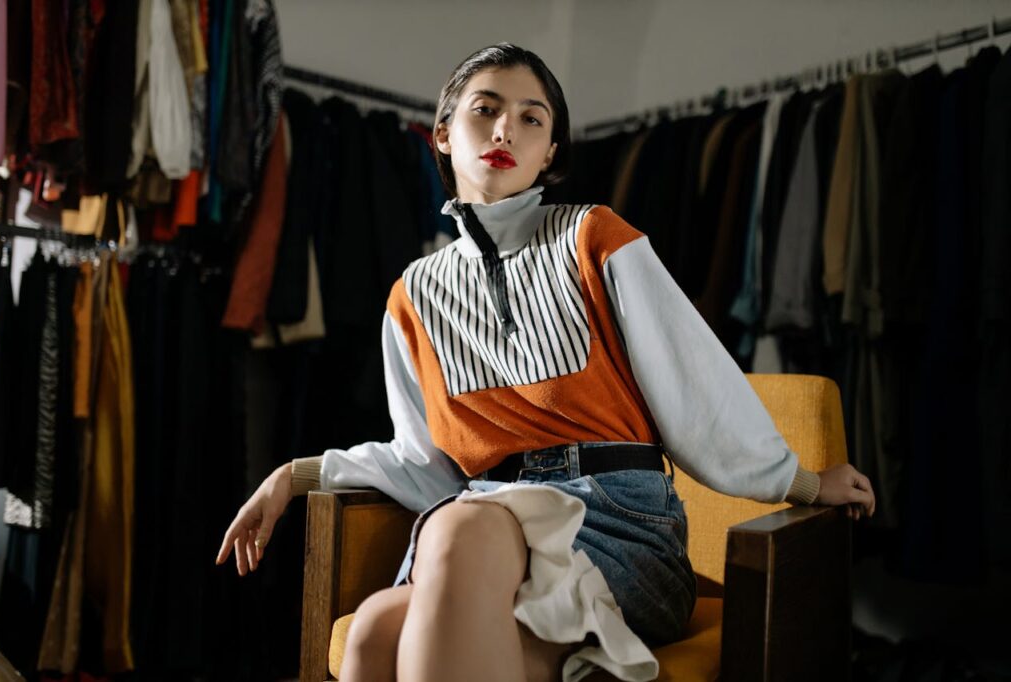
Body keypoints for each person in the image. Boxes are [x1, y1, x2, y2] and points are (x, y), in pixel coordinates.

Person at [216, 43, 876, 682]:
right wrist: (294, 476)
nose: (506, 128)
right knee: (373, 633)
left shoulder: (595, 236)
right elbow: (424, 463)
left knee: (459, 529)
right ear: (442, 134)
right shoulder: (412, 296)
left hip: (618, 525)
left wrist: (802, 483)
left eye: (531, 118)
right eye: (485, 109)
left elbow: (695, 385)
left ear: (550, 152)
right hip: (484, 525)